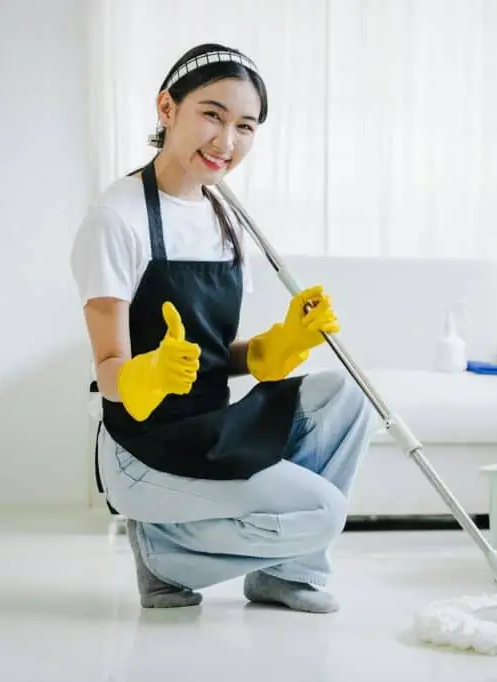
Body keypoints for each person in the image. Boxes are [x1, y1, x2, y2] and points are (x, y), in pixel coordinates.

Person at [69, 43, 375, 613]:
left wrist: (275, 346)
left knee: (346, 398)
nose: (226, 142)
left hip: (210, 425)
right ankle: (164, 555)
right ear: (167, 109)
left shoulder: (223, 216)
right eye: (211, 114)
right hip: (146, 448)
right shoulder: (117, 220)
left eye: (245, 126)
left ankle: (287, 576)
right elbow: (108, 371)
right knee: (322, 511)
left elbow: (218, 355)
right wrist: (150, 373)